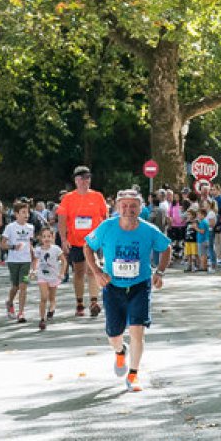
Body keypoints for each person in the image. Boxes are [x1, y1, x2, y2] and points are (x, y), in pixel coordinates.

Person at [85, 189, 171, 392]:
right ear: (117, 207)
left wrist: (159, 272)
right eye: (124, 205)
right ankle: (119, 351)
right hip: (113, 286)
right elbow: (88, 246)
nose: (128, 210)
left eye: (133, 206)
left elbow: (165, 248)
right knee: (114, 335)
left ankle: (133, 374)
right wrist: (97, 272)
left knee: (137, 331)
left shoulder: (148, 230)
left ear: (140, 208)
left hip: (140, 285)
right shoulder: (107, 227)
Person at [56, 166, 108, 318]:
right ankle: (79, 303)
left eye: (88, 178)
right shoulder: (68, 198)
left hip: (94, 241)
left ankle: (94, 302)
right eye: (82, 178)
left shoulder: (98, 196)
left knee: (93, 269)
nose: (85, 181)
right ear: (76, 180)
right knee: (79, 272)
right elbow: (62, 220)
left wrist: (106, 237)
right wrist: (64, 239)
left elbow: (105, 218)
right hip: (76, 241)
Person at [1, 201, 36, 323]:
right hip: (13, 261)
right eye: (23, 212)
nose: (26, 215)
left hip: (26, 261)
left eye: (28, 212)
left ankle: (21, 312)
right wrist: (13, 247)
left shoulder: (30, 227)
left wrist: (34, 258)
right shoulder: (10, 227)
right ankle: (9, 302)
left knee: (23, 286)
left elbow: (30, 243)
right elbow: (2, 244)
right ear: (16, 214)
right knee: (15, 287)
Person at [32, 226, 66, 331]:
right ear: (40, 238)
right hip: (42, 276)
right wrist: (34, 270)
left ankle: (52, 309)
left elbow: (64, 261)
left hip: (54, 276)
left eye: (48, 236)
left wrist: (62, 273)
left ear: (52, 237)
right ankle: (42, 319)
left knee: (52, 298)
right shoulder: (38, 250)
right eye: (44, 236)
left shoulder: (56, 249)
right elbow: (35, 261)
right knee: (44, 297)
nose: (46, 239)